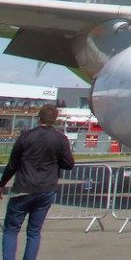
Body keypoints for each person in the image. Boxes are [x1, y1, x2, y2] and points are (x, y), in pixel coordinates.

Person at [0, 104, 74, 260]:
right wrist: (54, 160)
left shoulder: (26, 136)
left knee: (11, 230)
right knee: (34, 232)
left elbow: (12, 165)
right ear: (55, 119)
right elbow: (69, 164)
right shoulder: (61, 139)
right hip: (46, 189)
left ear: (39, 117)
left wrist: (1, 184)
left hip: (23, 188)